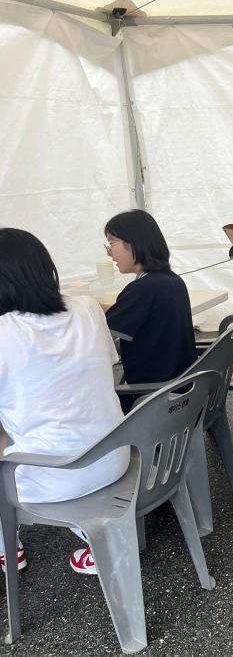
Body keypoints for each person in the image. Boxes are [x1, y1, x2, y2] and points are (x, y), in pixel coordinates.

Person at [0, 229, 129, 575]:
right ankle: (97, 537)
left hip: (60, 480)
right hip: (117, 457)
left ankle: (7, 548)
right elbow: (106, 369)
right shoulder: (87, 308)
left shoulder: (4, 332)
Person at [104, 210, 197, 410]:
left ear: (134, 242)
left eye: (111, 243)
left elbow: (102, 334)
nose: (109, 252)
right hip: (182, 390)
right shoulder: (171, 280)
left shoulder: (142, 288)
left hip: (152, 399)